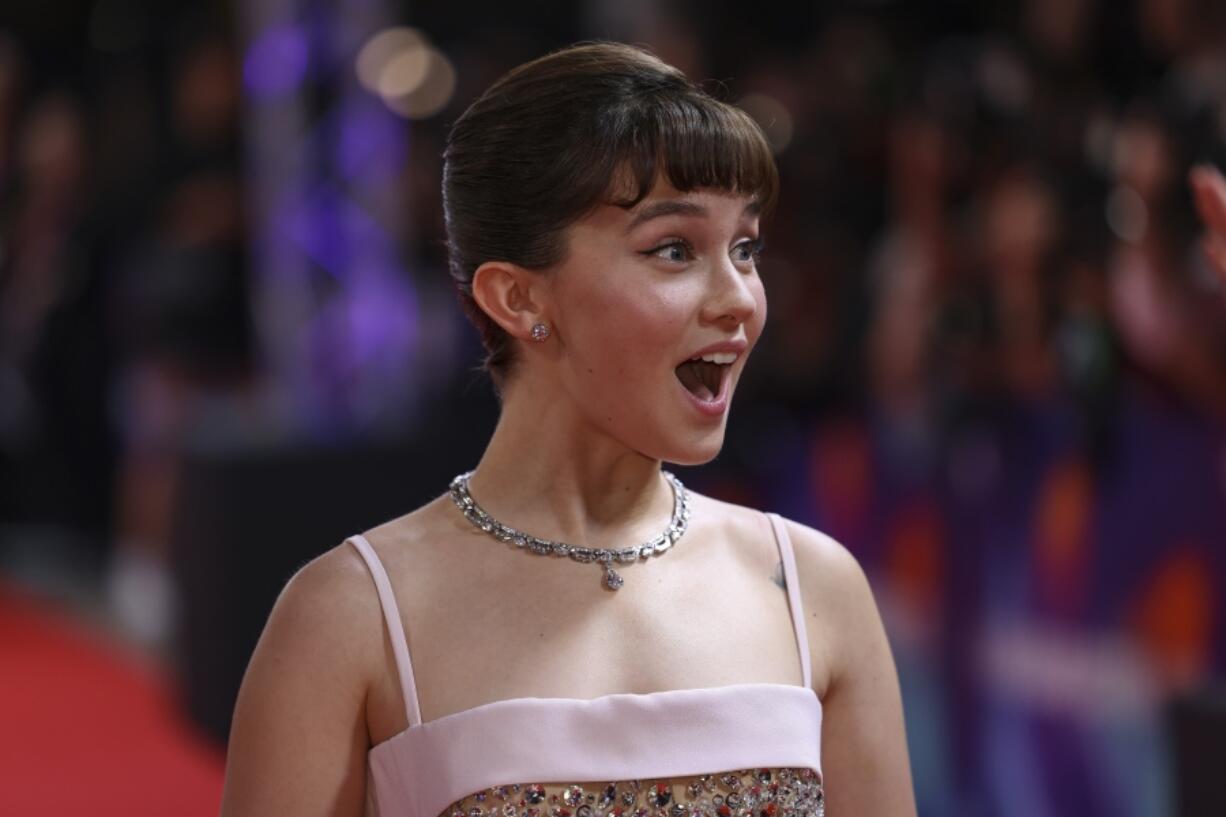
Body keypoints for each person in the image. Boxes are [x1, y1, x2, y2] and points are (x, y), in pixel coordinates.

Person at [220, 42, 917, 817]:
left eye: (745, 248)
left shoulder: (812, 588)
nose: (740, 300)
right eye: (675, 249)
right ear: (519, 300)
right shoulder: (350, 615)